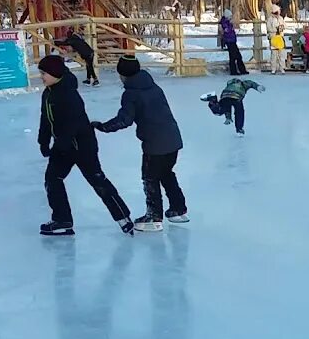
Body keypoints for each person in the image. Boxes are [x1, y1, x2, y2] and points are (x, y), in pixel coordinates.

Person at [35, 54, 133, 236]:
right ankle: (61, 220)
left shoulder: (68, 94)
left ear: (55, 73)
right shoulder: (48, 93)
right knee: (52, 179)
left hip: (82, 146)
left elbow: (74, 123)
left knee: (97, 180)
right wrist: (43, 141)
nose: (42, 77)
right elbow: (45, 119)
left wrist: (62, 144)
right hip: (63, 146)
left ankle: (123, 218)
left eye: (44, 73)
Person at [92, 54, 187, 232]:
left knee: (150, 177)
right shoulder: (153, 86)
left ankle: (154, 217)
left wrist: (103, 127)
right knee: (166, 173)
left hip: (155, 144)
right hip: (173, 139)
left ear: (122, 74)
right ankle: (178, 209)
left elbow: (125, 120)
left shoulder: (131, 93)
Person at [199, 77, 264, 135]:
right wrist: (258, 87)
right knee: (239, 112)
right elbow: (251, 83)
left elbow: (228, 107)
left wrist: (228, 117)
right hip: (237, 96)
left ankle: (213, 100)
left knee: (219, 111)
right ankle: (239, 129)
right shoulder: (243, 83)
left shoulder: (229, 85)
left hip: (225, 96)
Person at [220, 9, 248, 76]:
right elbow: (227, 31)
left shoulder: (227, 22)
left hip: (232, 40)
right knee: (234, 56)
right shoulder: (225, 23)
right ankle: (235, 71)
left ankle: (240, 70)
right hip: (229, 41)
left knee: (237, 56)